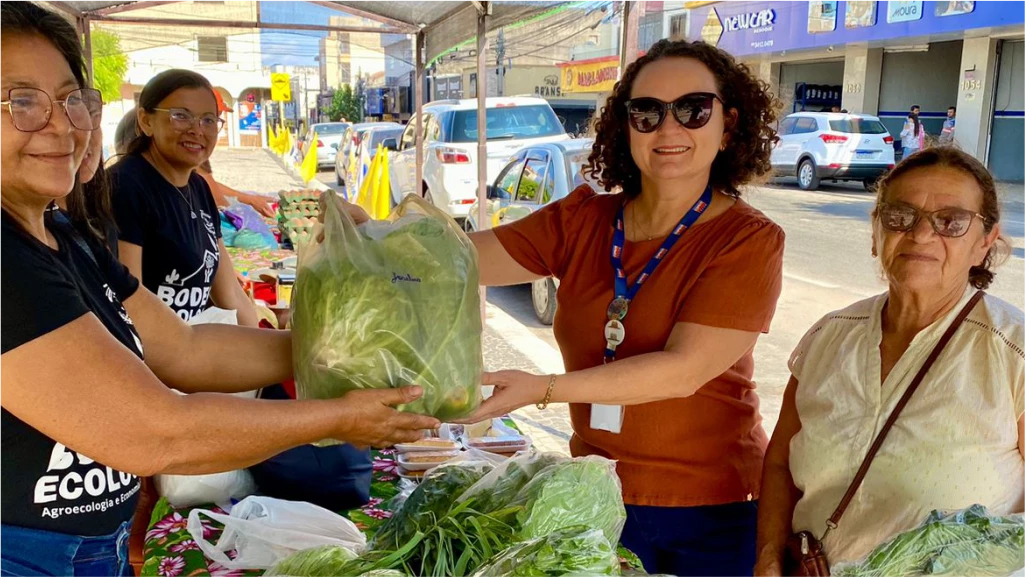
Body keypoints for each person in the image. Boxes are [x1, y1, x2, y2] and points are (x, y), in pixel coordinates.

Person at [0, 3, 439, 574]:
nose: (61, 125)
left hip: (89, 543)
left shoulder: (63, 236)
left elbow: (185, 349)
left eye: (70, 99)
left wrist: (356, 351)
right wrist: (336, 416)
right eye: (22, 102)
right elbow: (150, 429)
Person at [343, 38, 786, 575]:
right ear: (626, 126)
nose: (669, 129)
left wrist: (541, 390)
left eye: (693, 110)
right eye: (646, 112)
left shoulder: (746, 240)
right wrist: (372, 238)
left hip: (713, 510)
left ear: (729, 123)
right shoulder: (584, 221)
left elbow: (682, 372)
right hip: (597, 491)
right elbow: (456, 261)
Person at [754, 147, 1020, 576]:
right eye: (900, 216)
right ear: (875, 232)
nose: (921, 235)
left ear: (985, 241)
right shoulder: (829, 336)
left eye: (951, 221)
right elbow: (782, 463)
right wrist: (768, 555)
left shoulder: (1013, 351)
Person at [109, 71, 260, 327]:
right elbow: (130, 304)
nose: (196, 130)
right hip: (150, 357)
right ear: (146, 121)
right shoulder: (125, 185)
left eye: (208, 120)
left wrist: (262, 349)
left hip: (190, 350)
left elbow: (229, 294)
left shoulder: (198, 187)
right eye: (181, 116)